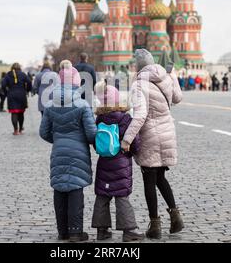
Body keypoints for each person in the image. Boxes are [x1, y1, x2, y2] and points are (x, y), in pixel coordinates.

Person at [121, 49, 184, 239]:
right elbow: (177, 98)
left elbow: (140, 115)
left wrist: (127, 140)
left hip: (150, 134)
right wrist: (173, 76)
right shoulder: (164, 76)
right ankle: (175, 216)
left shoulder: (139, 84)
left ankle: (155, 225)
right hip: (167, 132)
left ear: (137, 66)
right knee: (160, 178)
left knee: (149, 179)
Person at [39, 61, 97, 242]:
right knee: (75, 190)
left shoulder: (49, 104)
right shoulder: (82, 104)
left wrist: (58, 140)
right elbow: (91, 133)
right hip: (78, 151)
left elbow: (43, 132)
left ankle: (62, 231)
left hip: (58, 151)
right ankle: (75, 232)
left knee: (59, 189)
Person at [91, 82, 144, 242]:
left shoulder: (100, 118)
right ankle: (128, 232)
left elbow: (96, 141)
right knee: (122, 196)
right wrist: (134, 150)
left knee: (102, 195)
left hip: (104, 161)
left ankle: (102, 231)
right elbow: (135, 143)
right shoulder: (125, 118)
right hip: (121, 162)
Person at [2, 63, 32, 135]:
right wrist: (27, 90)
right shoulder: (23, 74)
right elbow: (29, 82)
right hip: (21, 95)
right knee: (21, 113)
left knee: (14, 113)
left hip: (11, 95)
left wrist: (6, 92)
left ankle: (16, 130)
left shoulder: (8, 75)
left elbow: (3, 85)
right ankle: (21, 129)